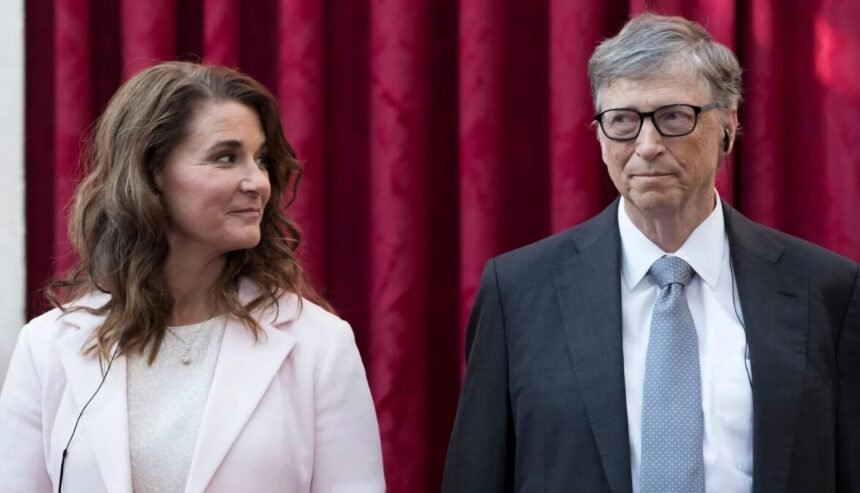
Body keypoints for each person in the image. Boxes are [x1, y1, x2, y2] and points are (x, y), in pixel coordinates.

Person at [443, 13, 859, 493]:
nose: (647, 146)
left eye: (674, 117)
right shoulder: (518, 293)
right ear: (600, 136)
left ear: (728, 125)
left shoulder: (826, 292)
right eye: (622, 121)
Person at [0, 62, 385, 493]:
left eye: (261, 159)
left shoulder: (320, 344)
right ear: (152, 172)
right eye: (226, 158)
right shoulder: (46, 347)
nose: (257, 182)